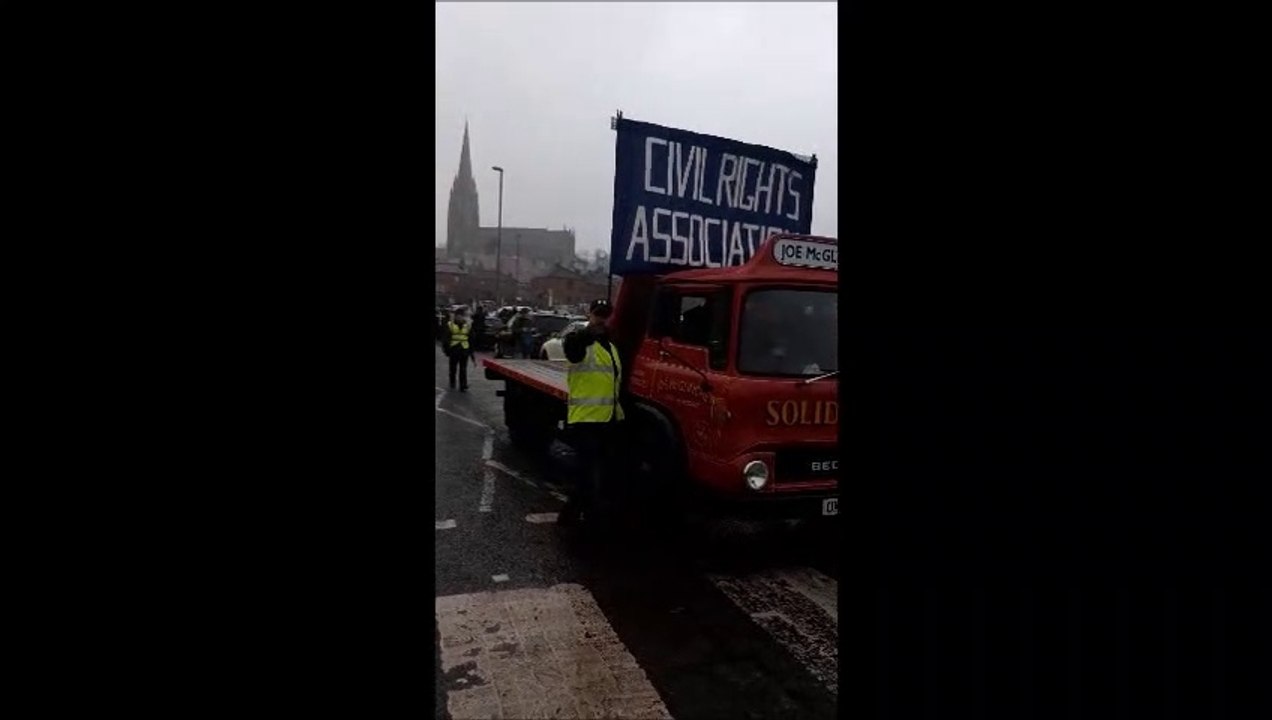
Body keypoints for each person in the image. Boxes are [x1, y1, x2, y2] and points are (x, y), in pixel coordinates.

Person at [557, 299, 624, 526]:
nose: (601, 319)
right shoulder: (578, 341)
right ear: (589, 314)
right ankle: (576, 516)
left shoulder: (611, 347)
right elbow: (573, 351)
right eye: (598, 315)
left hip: (605, 419)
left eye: (605, 315)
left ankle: (579, 513)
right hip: (585, 418)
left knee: (598, 468)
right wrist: (590, 332)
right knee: (586, 471)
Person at [447, 307, 477, 391]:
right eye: (458, 316)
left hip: (464, 348)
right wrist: (447, 349)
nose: (460, 317)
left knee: (463, 368)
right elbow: (446, 338)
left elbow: (471, 338)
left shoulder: (468, 325)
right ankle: (452, 382)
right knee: (453, 367)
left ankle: (463, 385)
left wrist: (471, 350)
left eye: (461, 316)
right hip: (454, 348)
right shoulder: (450, 324)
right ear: (455, 316)